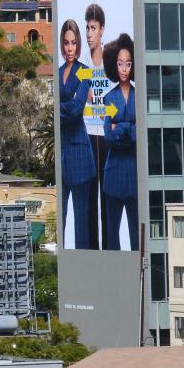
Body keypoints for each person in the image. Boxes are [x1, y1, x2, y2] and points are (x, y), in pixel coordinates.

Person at [56, 20, 97, 249]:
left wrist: (59, 108)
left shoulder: (84, 71)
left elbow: (76, 108)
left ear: (78, 44)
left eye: (73, 43)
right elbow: (64, 108)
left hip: (80, 154)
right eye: (66, 43)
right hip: (61, 153)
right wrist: (64, 106)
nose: (70, 48)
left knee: (81, 225)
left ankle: (85, 265)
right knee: (61, 222)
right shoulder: (57, 72)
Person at [100, 34, 137, 251]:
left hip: (134, 174)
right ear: (114, 64)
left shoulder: (139, 96)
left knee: (136, 235)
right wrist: (128, 129)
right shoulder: (110, 98)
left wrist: (120, 128)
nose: (124, 69)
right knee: (112, 235)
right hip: (113, 175)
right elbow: (108, 135)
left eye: (128, 64)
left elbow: (138, 133)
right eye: (120, 63)